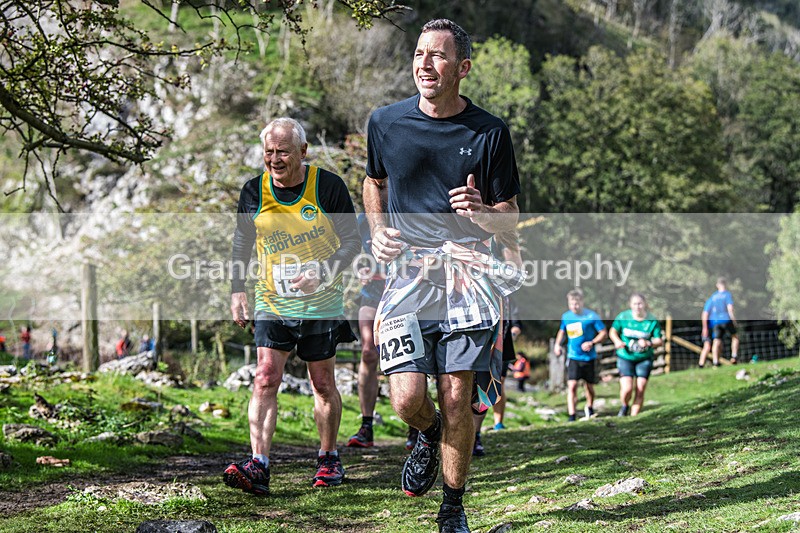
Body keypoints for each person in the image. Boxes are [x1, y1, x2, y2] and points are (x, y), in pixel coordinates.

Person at [363, 18, 523, 532]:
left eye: (436, 55)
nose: (424, 64)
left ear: (463, 68)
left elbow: (511, 216)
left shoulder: (489, 131)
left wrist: (483, 212)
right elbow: (373, 182)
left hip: (467, 275)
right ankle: (426, 433)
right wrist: (378, 231)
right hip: (408, 274)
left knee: (458, 393)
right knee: (408, 398)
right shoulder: (385, 122)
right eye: (418, 54)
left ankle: (452, 509)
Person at [226, 117, 360, 495]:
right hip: (271, 299)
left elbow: (352, 242)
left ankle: (329, 457)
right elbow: (241, 243)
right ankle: (259, 464)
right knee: (265, 376)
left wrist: (324, 270)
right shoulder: (253, 191)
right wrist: (238, 290)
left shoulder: (327, 187)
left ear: (303, 151)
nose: (274, 159)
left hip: (321, 302)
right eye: (268, 152)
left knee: (322, 383)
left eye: (282, 151)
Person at [346, 213, 387, 448]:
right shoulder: (363, 220)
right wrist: (359, 270)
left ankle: (416, 428)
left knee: (408, 358)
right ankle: (366, 425)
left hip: (406, 295)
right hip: (372, 295)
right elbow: (350, 250)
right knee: (368, 353)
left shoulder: (407, 210)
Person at [553, 289, 607, 422]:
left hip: (589, 357)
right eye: (571, 304)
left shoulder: (591, 316)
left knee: (589, 386)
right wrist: (557, 344)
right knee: (572, 385)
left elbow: (603, 333)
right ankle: (572, 415)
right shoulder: (566, 316)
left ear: (582, 302)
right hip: (573, 356)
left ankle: (589, 406)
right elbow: (562, 331)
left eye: (576, 304)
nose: (574, 307)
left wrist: (592, 342)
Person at [609, 293, 663, 417]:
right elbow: (613, 331)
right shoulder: (623, 317)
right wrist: (617, 341)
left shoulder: (651, 320)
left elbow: (659, 340)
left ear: (644, 304)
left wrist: (649, 343)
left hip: (644, 358)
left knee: (640, 388)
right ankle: (624, 406)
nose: (637, 307)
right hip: (625, 356)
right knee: (627, 388)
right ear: (630, 305)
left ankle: (633, 418)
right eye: (635, 304)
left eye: (640, 303)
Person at [698, 277, 740, 367]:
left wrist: (704, 327)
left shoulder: (712, 297)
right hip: (726, 319)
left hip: (715, 322)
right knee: (735, 337)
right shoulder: (727, 295)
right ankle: (734, 356)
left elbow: (705, 313)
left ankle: (715, 362)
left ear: (717, 285)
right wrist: (734, 320)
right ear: (726, 284)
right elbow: (730, 308)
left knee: (716, 341)